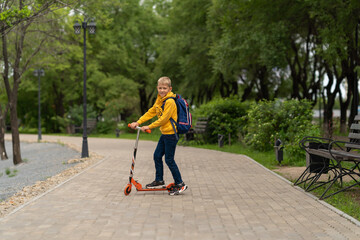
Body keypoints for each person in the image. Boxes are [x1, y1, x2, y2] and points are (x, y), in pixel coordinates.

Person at [130, 76, 188, 196]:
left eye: (164, 88)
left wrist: (149, 127)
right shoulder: (159, 100)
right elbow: (151, 112)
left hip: (171, 134)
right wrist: (139, 122)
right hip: (164, 134)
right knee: (157, 156)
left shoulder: (170, 101)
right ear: (157, 88)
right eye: (160, 88)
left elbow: (163, 119)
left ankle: (180, 183)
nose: (162, 90)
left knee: (169, 159)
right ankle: (159, 180)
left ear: (170, 88)